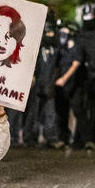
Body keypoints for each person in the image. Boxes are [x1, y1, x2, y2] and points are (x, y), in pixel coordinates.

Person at [24, 15, 60, 147]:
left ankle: (50, 136)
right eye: (46, 32)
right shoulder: (35, 49)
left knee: (50, 111)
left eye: (51, 32)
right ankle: (30, 136)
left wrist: (53, 82)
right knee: (34, 111)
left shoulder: (55, 49)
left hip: (49, 82)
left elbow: (57, 66)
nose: (49, 35)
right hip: (37, 83)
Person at [76, 3, 95, 149]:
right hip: (85, 75)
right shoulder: (85, 34)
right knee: (85, 107)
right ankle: (84, 137)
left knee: (94, 108)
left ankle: (92, 138)